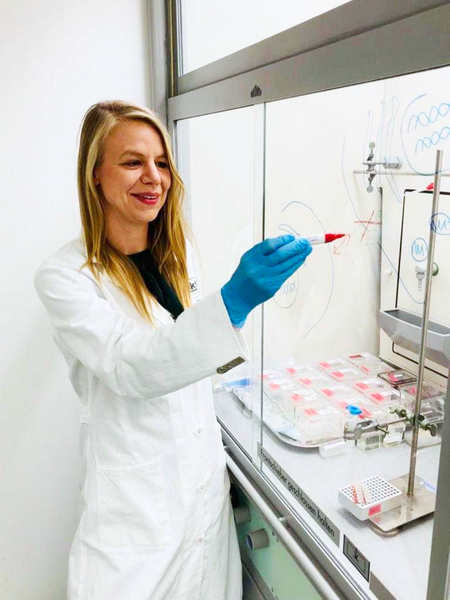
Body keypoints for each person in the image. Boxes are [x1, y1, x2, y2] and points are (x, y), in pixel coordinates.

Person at [34, 100, 312, 600]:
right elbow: (130, 366)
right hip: (136, 519)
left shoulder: (178, 259)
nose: (153, 177)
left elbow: (193, 356)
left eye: (162, 163)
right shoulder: (65, 277)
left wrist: (239, 324)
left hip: (203, 501)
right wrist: (233, 302)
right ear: (95, 174)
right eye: (132, 161)